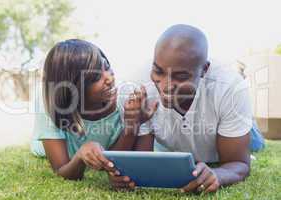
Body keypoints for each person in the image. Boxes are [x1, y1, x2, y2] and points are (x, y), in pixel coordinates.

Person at [109, 24, 265, 193]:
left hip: (225, 130)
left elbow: (239, 164)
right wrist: (123, 174)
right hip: (177, 140)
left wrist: (218, 174)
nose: (166, 86)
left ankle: (252, 127)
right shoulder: (136, 87)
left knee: (255, 141)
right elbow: (143, 163)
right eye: (158, 71)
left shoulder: (231, 88)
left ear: (204, 70)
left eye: (180, 76)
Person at [30, 39, 158, 182]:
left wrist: (131, 126)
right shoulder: (50, 106)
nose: (110, 78)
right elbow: (61, 170)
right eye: (96, 77)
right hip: (56, 149)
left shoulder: (125, 98)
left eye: (107, 67)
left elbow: (115, 161)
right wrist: (79, 156)